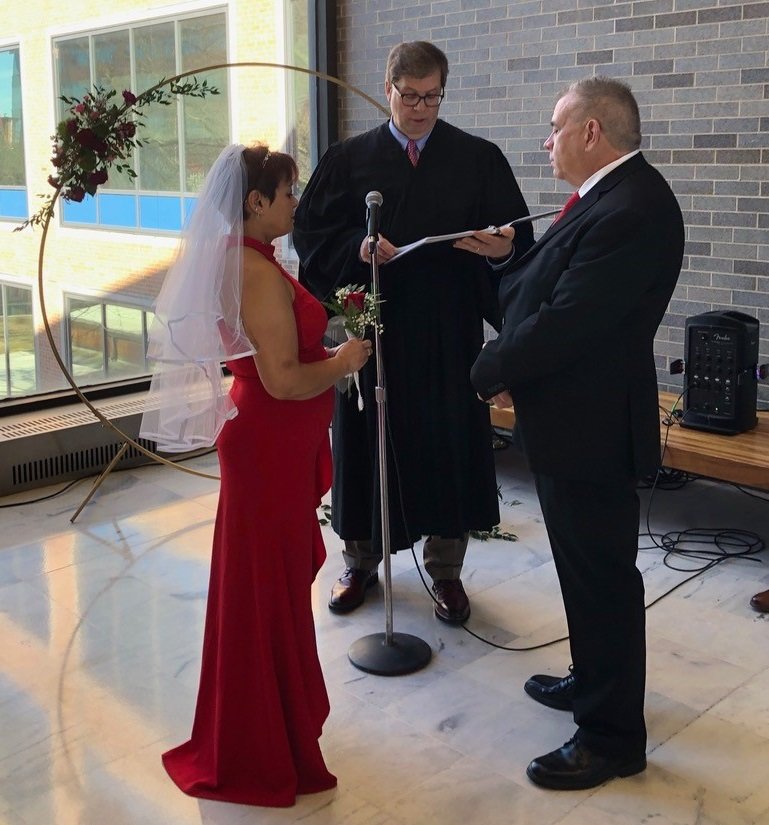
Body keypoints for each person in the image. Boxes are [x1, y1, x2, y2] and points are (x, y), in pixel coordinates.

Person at [140, 144, 371, 806]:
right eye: (288, 192)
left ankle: (270, 723)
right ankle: (260, 741)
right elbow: (283, 379)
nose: (296, 203)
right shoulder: (253, 273)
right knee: (263, 593)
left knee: (265, 590)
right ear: (255, 202)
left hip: (273, 445)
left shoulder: (257, 262)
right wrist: (344, 359)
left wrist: (323, 353)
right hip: (268, 447)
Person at [471, 77, 684, 790]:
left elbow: (568, 321)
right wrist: (506, 259)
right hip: (569, 418)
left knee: (601, 582)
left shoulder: (634, 208)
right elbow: (547, 283)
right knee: (583, 574)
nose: (547, 140)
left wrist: (489, 366)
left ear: (591, 131)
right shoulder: (609, 198)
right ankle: (592, 681)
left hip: (592, 426)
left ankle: (611, 735)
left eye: (555, 127)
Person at [292, 40, 534, 623]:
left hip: (448, 330)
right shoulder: (349, 159)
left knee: (448, 443)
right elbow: (311, 236)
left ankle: (446, 572)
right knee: (365, 441)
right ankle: (359, 561)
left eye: (433, 97)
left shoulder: (478, 158)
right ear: (388, 88)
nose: (422, 109)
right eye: (410, 96)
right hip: (372, 329)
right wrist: (357, 246)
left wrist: (502, 250)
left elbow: (518, 248)